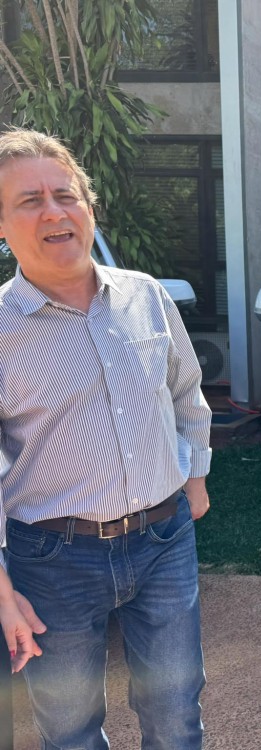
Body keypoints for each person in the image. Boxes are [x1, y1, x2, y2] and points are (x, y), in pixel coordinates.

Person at [0, 128, 212, 749]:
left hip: (164, 540)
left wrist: (195, 479)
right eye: (29, 201)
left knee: (176, 717)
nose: (53, 211)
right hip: (52, 558)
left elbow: (186, 391)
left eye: (65, 194)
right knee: (70, 732)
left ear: (89, 208)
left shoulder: (146, 297)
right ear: (2, 226)